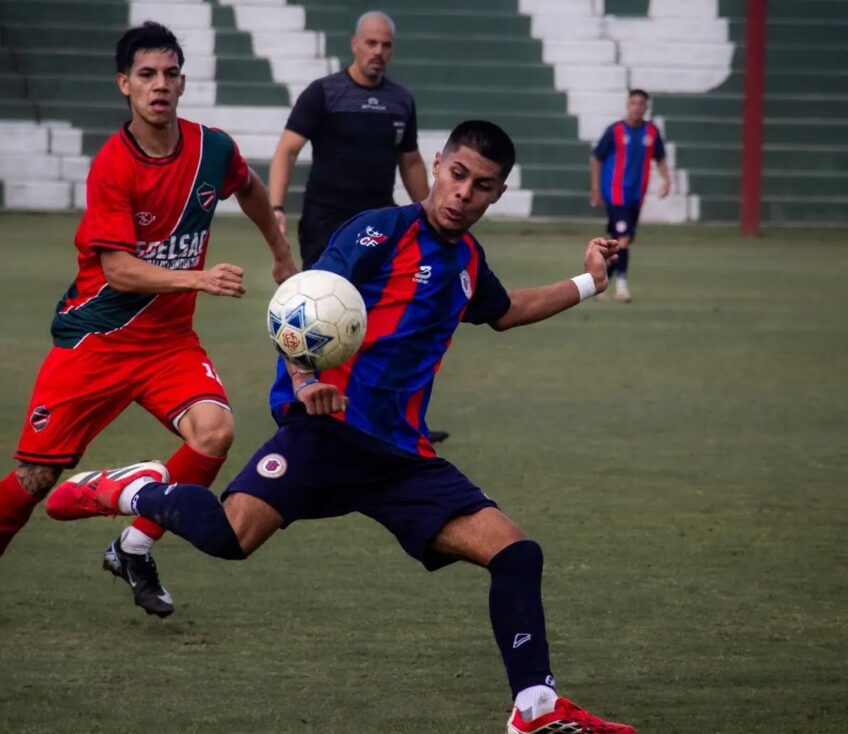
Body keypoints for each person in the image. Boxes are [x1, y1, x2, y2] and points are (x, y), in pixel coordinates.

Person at [48, 120, 636, 733]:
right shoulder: (379, 231)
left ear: (498, 194)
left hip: (403, 460)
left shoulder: (467, 259)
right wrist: (305, 382)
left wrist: (591, 282)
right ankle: (136, 490)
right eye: (458, 175)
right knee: (229, 538)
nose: (464, 193)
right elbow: (303, 303)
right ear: (437, 164)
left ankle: (534, 709)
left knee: (516, 554)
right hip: (325, 432)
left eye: (482, 186)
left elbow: (506, 310)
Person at [0, 22, 297, 631]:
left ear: (182, 82)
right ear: (124, 85)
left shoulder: (211, 149)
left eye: (170, 74)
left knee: (214, 433)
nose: (160, 85)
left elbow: (251, 187)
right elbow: (119, 270)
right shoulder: (113, 165)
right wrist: (198, 278)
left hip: (168, 344)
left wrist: (281, 252)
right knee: (36, 478)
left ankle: (132, 547)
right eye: (146, 75)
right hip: (97, 341)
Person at [269, 10, 450, 443]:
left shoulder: (401, 101)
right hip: (326, 225)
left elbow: (411, 161)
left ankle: (393, 417)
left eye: (386, 45)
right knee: (317, 315)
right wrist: (275, 206)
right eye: (371, 43)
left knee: (385, 322)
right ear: (354, 45)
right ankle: (299, 403)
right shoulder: (324, 94)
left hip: (382, 230)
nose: (378, 52)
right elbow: (287, 150)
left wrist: (430, 216)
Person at [589, 88, 670, 302]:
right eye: (633, 102)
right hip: (615, 194)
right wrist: (596, 189)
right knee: (623, 239)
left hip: (636, 196)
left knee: (618, 242)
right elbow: (597, 159)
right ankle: (622, 287)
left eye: (641, 103)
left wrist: (667, 180)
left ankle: (597, 284)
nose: (636, 107)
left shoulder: (652, 132)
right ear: (627, 105)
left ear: (646, 107)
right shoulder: (614, 131)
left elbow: (660, 158)